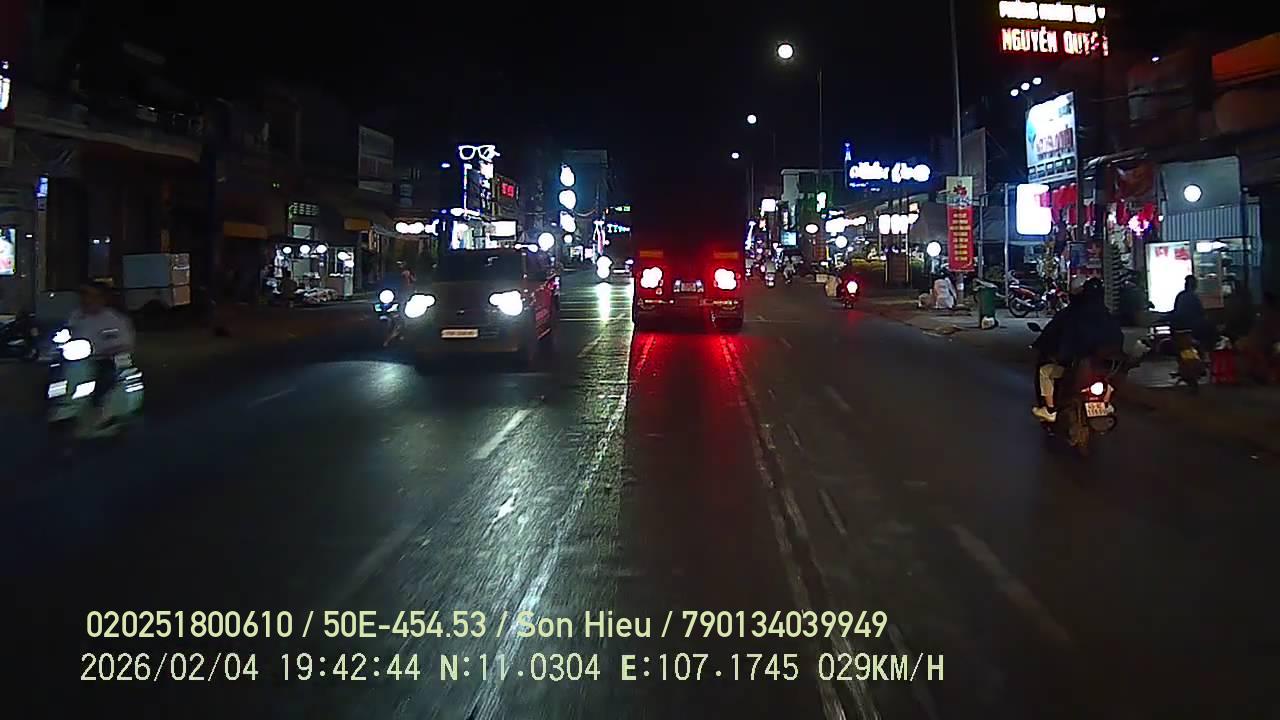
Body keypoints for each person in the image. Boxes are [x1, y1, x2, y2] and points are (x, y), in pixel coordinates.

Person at [1032, 276, 1122, 422]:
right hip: (1103, 366)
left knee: (1045, 371)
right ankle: (1106, 404)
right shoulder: (1106, 315)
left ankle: (1050, 410)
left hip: (1079, 367)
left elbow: (1058, 337)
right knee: (1112, 377)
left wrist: (1049, 348)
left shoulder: (1073, 314)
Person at [67, 282, 136, 429]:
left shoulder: (115, 319)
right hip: (76, 359)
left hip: (103, 359)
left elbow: (125, 343)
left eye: (92, 296)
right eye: (84, 295)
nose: (87, 300)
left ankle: (100, 411)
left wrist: (108, 350)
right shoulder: (76, 316)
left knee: (104, 376)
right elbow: (67, 334)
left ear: (102, 298)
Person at [1170, 274, 1216, 350]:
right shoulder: (1193, 297)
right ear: (1194, 285)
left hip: (1180, 324)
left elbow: (1176, 311)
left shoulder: (1180, 295)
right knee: (1210, 327)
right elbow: (1201, 313)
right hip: (1191, 326)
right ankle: (1207, 350)